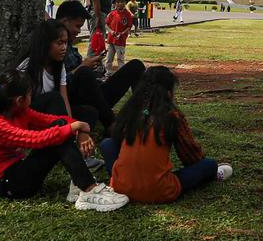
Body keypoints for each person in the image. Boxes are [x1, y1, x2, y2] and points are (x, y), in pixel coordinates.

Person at [0, 69, 128, 211]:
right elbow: (35, 139)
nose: (32, 97)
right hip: (9, 185)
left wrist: (80, 129)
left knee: (60, 126)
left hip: (19, 171)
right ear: (19, 100)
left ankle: (80, 184)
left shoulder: (20, 112)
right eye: (30, 94)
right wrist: (74, 127)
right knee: (57, 135)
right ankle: (88, 188)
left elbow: (53, 119)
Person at [100, 66, 233, 203]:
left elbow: (114, 140)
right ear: (169, 93)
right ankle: (214, 174)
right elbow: (191, 157)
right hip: (159, 191)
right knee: (209, 165)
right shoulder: (171, 116)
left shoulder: (129, 111)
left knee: (107, 144)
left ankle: (123, 178)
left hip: (120, 188)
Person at [55, 1, 141, 129]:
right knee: (84, 73)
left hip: (92, 96)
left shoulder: (71, 48)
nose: (79, 31)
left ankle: (141, 115)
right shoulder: (52, 47)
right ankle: (111, 123)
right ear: (64, 21)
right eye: (77, 26)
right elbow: (55, 84)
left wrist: (92, 68)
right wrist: (83, 67)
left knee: (136, 66)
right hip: (70, 99)